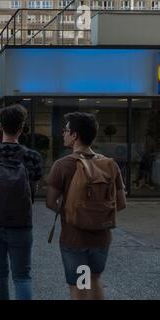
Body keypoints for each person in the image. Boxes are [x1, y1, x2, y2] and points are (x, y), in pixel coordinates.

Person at [46, 112, 127, 300]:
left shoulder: (62, 165)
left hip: (74, 238)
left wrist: (75, 211)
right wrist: (98, 215)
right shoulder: (110, 165)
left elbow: (51, 202)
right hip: (102, 237)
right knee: (95, 279)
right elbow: (121, 204)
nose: (63, 134)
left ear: (75, 135)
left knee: (80, 284)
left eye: (66, 130)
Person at [0, 105, 42, 300]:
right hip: (22, 223)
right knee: (22, 276)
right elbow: (34, 187)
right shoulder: (32, 156)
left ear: (1, 127)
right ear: (21, 129)